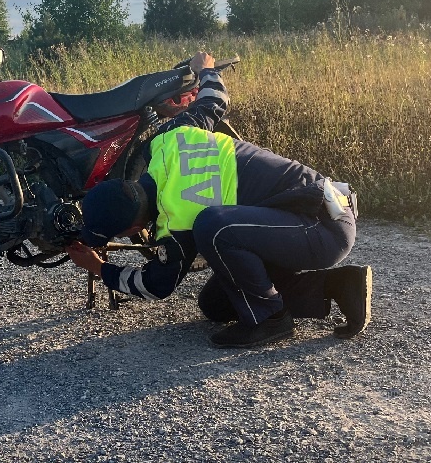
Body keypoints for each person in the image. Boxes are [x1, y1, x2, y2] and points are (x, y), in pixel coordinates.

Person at [66, 52, 372, 348]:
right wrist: (206, 70)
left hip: (321, 226)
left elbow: (156, 285)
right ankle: (341, 286)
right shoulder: (168, 139)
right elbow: (213, 102)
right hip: (306, 218)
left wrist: (99, 268)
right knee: (216, 305)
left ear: (133, 227)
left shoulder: (179, 221)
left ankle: (271, 319)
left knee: (212, 226)